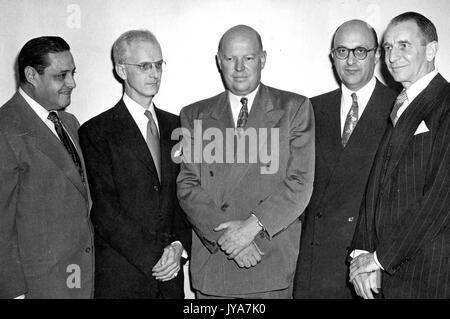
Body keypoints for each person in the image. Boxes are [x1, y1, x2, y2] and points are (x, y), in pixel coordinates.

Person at [177, 25, 314, 299]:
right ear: (219, 61)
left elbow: (299, 183)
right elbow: (187, 185)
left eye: (248, 58)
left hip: (268, 259)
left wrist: (251, 229)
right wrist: (229, 241)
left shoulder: (294, 108)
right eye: (230, 59)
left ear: (262, 59)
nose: (239, 67)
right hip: (216, 263)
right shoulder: (194, 114)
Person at [78, 30, 191, 298]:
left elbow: (184, 196)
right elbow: (105, 211)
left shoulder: (177, 126)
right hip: (123, 278)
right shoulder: (96, 131)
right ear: (121, 70)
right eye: (144, 66)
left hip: (170, 280)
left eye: (158, 65)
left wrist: (177, 247)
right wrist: (156, 258)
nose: (154, 74)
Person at [349, 12, 450, 299]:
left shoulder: (445, 101)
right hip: (389, 275)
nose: (392, 57)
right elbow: (377, 185)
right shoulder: (401, 104)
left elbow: (442, 199)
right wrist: (361, 255)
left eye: (404, 45)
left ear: (431, 49)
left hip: (429, 275)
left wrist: (379, 259)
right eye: (388, 48)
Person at [293, 20, 396, 299]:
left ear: (376, 55)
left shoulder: (400, 106)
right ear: (332, 58)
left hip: (371, 268)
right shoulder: (311, 109)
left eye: (360, 51)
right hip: (318, 267)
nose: (350, 60)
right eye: (342, 51)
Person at [0, 36, 94, 298]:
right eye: (61, 75)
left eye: (73, 73)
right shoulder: (5, 128)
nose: (72, 83)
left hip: (79, 280)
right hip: (38, 288)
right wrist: (13, 292)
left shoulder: (70, 122)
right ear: (31, 75)